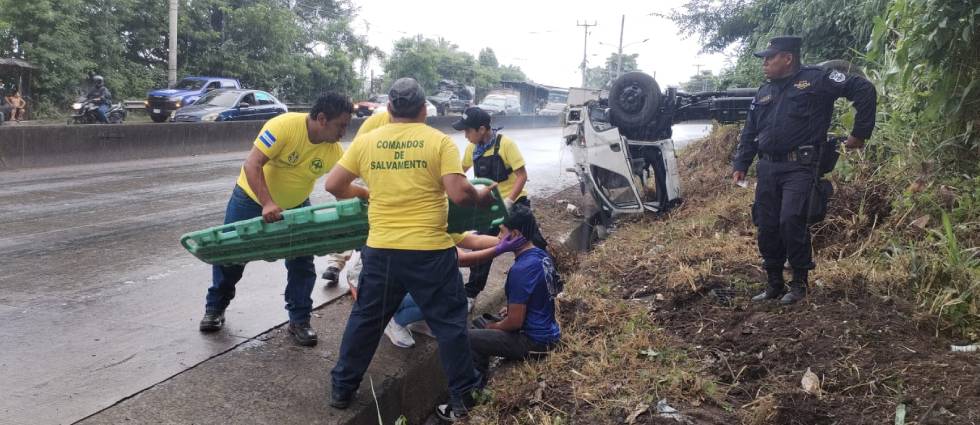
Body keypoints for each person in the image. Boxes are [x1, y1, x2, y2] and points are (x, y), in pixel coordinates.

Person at [324, 78, 496, 419]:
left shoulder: (367, 141)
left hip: (381, 250)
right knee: (449, 323)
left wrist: (365, 193)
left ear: (389, 108)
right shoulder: (438, 142)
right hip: (429, 251)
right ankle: (464, 396)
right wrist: (481, 196)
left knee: (367, 320)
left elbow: (334, 185)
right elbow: (459, 193)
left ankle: (342, 388)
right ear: (423, 110)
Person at [199, 93, 354, 347]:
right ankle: (215, 308)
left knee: (302, 262)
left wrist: (356, 213)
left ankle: (299, 320)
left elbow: (340, 188)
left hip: (296, 206)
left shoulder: (333, 151)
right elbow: (252, 164)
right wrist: (267, 202)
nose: (344, 132)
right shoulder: (284, 126)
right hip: (250, 199)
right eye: (341, 125)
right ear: (322, 119)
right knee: (232, 257)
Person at [732, 36, 877, 304]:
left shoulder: (817, 79)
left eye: (770, 57)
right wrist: (741, 163)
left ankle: (799, 284)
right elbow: (750, 131)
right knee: (767, 224)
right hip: (768, 167)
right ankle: (774, 283)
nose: (764, 63)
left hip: (800, 165)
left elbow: (863, 89)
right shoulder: (764, 91)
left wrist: (859, 134)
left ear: (788, 58)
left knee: (791, 220)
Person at [439, 204, 561, 419]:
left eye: (502, 232)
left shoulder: (520, 270)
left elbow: (514, 322)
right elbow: (542, 293)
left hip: (534, 342)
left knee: (468, 338)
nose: (498, 237)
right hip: (548, 332)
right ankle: (481, 379)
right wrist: (508, 310)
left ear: (514, 235)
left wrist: (494, 326)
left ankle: (466, 404)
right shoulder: (540, 255)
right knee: (479, 323)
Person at [454, 106, 547, 310]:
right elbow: (459, 174)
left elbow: (522, 176)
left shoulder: (506, 144)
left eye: (467, 131)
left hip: (515, 203)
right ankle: (471, 293)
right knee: (481, 247)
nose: (465, 136)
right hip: (490, 206)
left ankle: (549, 278)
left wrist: (509, 201)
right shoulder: (472, 149)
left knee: (534, 243)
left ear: (481, 129)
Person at [383, 231, 524, 348]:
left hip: (425, 283)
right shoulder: (420, 233)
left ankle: (422, 320)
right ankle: (395, 321)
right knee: (437, 300)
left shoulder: (438, 226)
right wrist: (500, 248)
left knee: (451, 296)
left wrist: (505, 241)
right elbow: (462, 259)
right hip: (398, 289)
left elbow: (475, 240)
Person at [320, 109, 392, 285]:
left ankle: (364, 264)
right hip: (363, 172)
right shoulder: (381, 122)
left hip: (385, 176)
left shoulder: (411, 123)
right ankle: (336, 262)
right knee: (350, 216)